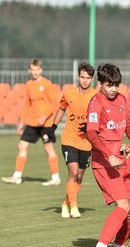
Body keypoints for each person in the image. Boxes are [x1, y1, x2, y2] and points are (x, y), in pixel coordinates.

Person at [86, 63, 130, 247]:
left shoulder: (122, 99)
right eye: (109, 85)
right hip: (103, 163)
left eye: (116, 84)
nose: (113, 89)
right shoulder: (96, 103)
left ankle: (118, 245)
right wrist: (108, 154)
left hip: (120, 162)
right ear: (100, 84)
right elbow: (91, 133)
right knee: (123, 206)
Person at [49, 63, 98, 218]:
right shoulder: (68, 93)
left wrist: (89, 127)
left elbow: (99, 117)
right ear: (78, 76)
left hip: (86, 142)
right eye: (82, 77)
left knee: (79, 176)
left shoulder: (95, 96)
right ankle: (74, 207)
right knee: (73, 171)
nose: (84, 80)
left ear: (91, 79)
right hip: (69, 139)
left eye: (88, 78)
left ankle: (66, 203)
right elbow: (62, 108)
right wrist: (53, 127)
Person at [1, 59, 60, 186]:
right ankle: (17, 176)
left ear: (41, 70)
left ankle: (55, 178)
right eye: (32, 69)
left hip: (46, 123)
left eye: (37, 69)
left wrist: (45, 116)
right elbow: (27, 105)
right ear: (29, 70)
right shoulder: (28, 84)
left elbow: (54, 103)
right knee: (22, 146)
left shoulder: (47, 84)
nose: (35, 72)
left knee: (48, 148)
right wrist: (22, 123)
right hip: (32, 122)